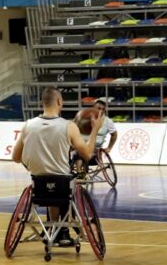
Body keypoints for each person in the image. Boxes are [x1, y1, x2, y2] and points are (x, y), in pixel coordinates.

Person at [12, 87, 103, 246]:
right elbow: (88, 154)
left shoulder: (28, 125)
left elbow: (15, 157)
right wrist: (95, 130)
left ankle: (55, 229)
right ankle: (69, 230)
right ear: (59, 101)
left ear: (42, 102)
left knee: (52, 180)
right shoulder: (69, 126)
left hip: (37, 183)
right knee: (67, 183)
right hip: (61, 185)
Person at [72, 98, 118, 172]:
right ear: (93, 108)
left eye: (103, 109)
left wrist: (109, 148)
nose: (101, 111)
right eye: (99, 108)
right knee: (79, 149)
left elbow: (114, 135)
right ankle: (79, 172)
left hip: (95, 149)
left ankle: (80, 172)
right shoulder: (84, 116)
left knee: (82, 151)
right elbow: (72, 127)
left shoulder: (108, 122)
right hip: (81, 145)